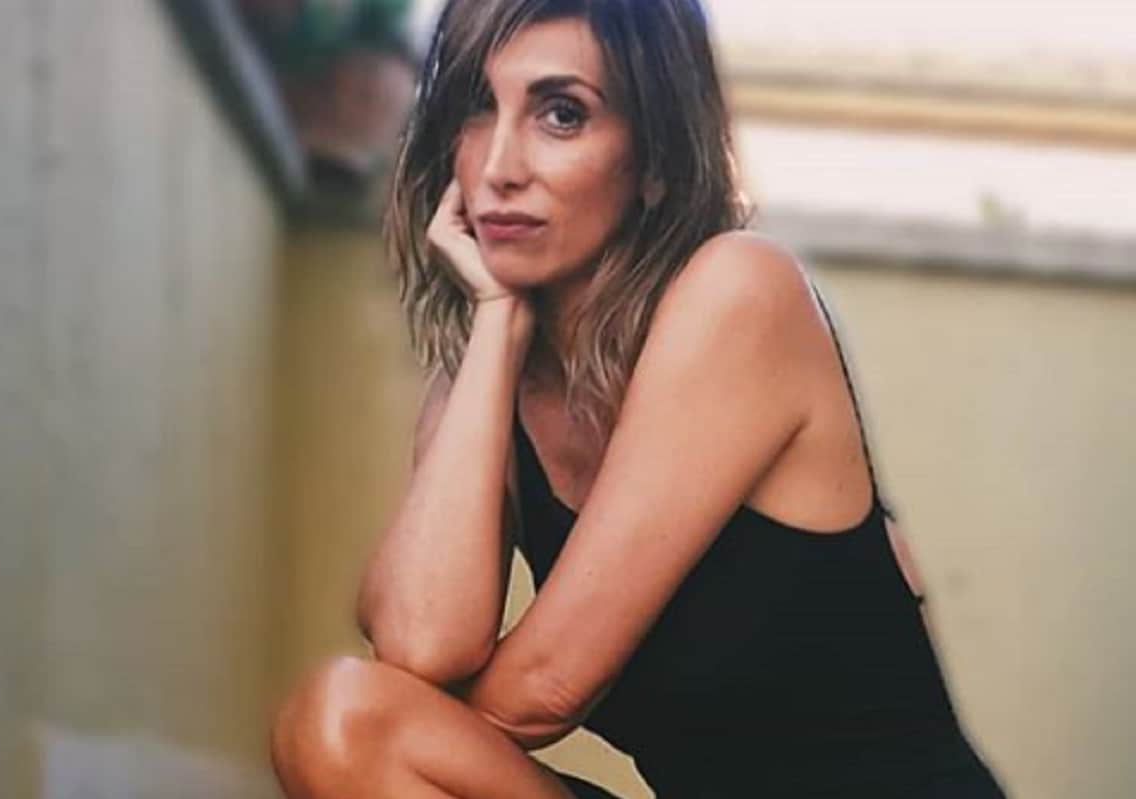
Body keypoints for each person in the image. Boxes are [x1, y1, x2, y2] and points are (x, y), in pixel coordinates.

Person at [269, 1, 1008, 796]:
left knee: (370, 725)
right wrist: (495, 320)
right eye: (479, 107)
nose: (498, 167)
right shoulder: (488, 380)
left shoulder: (740, 291)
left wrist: (425, 723)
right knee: (334, 723)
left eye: (561, 114)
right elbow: (418, 644)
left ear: (656, 160)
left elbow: (545, 687)